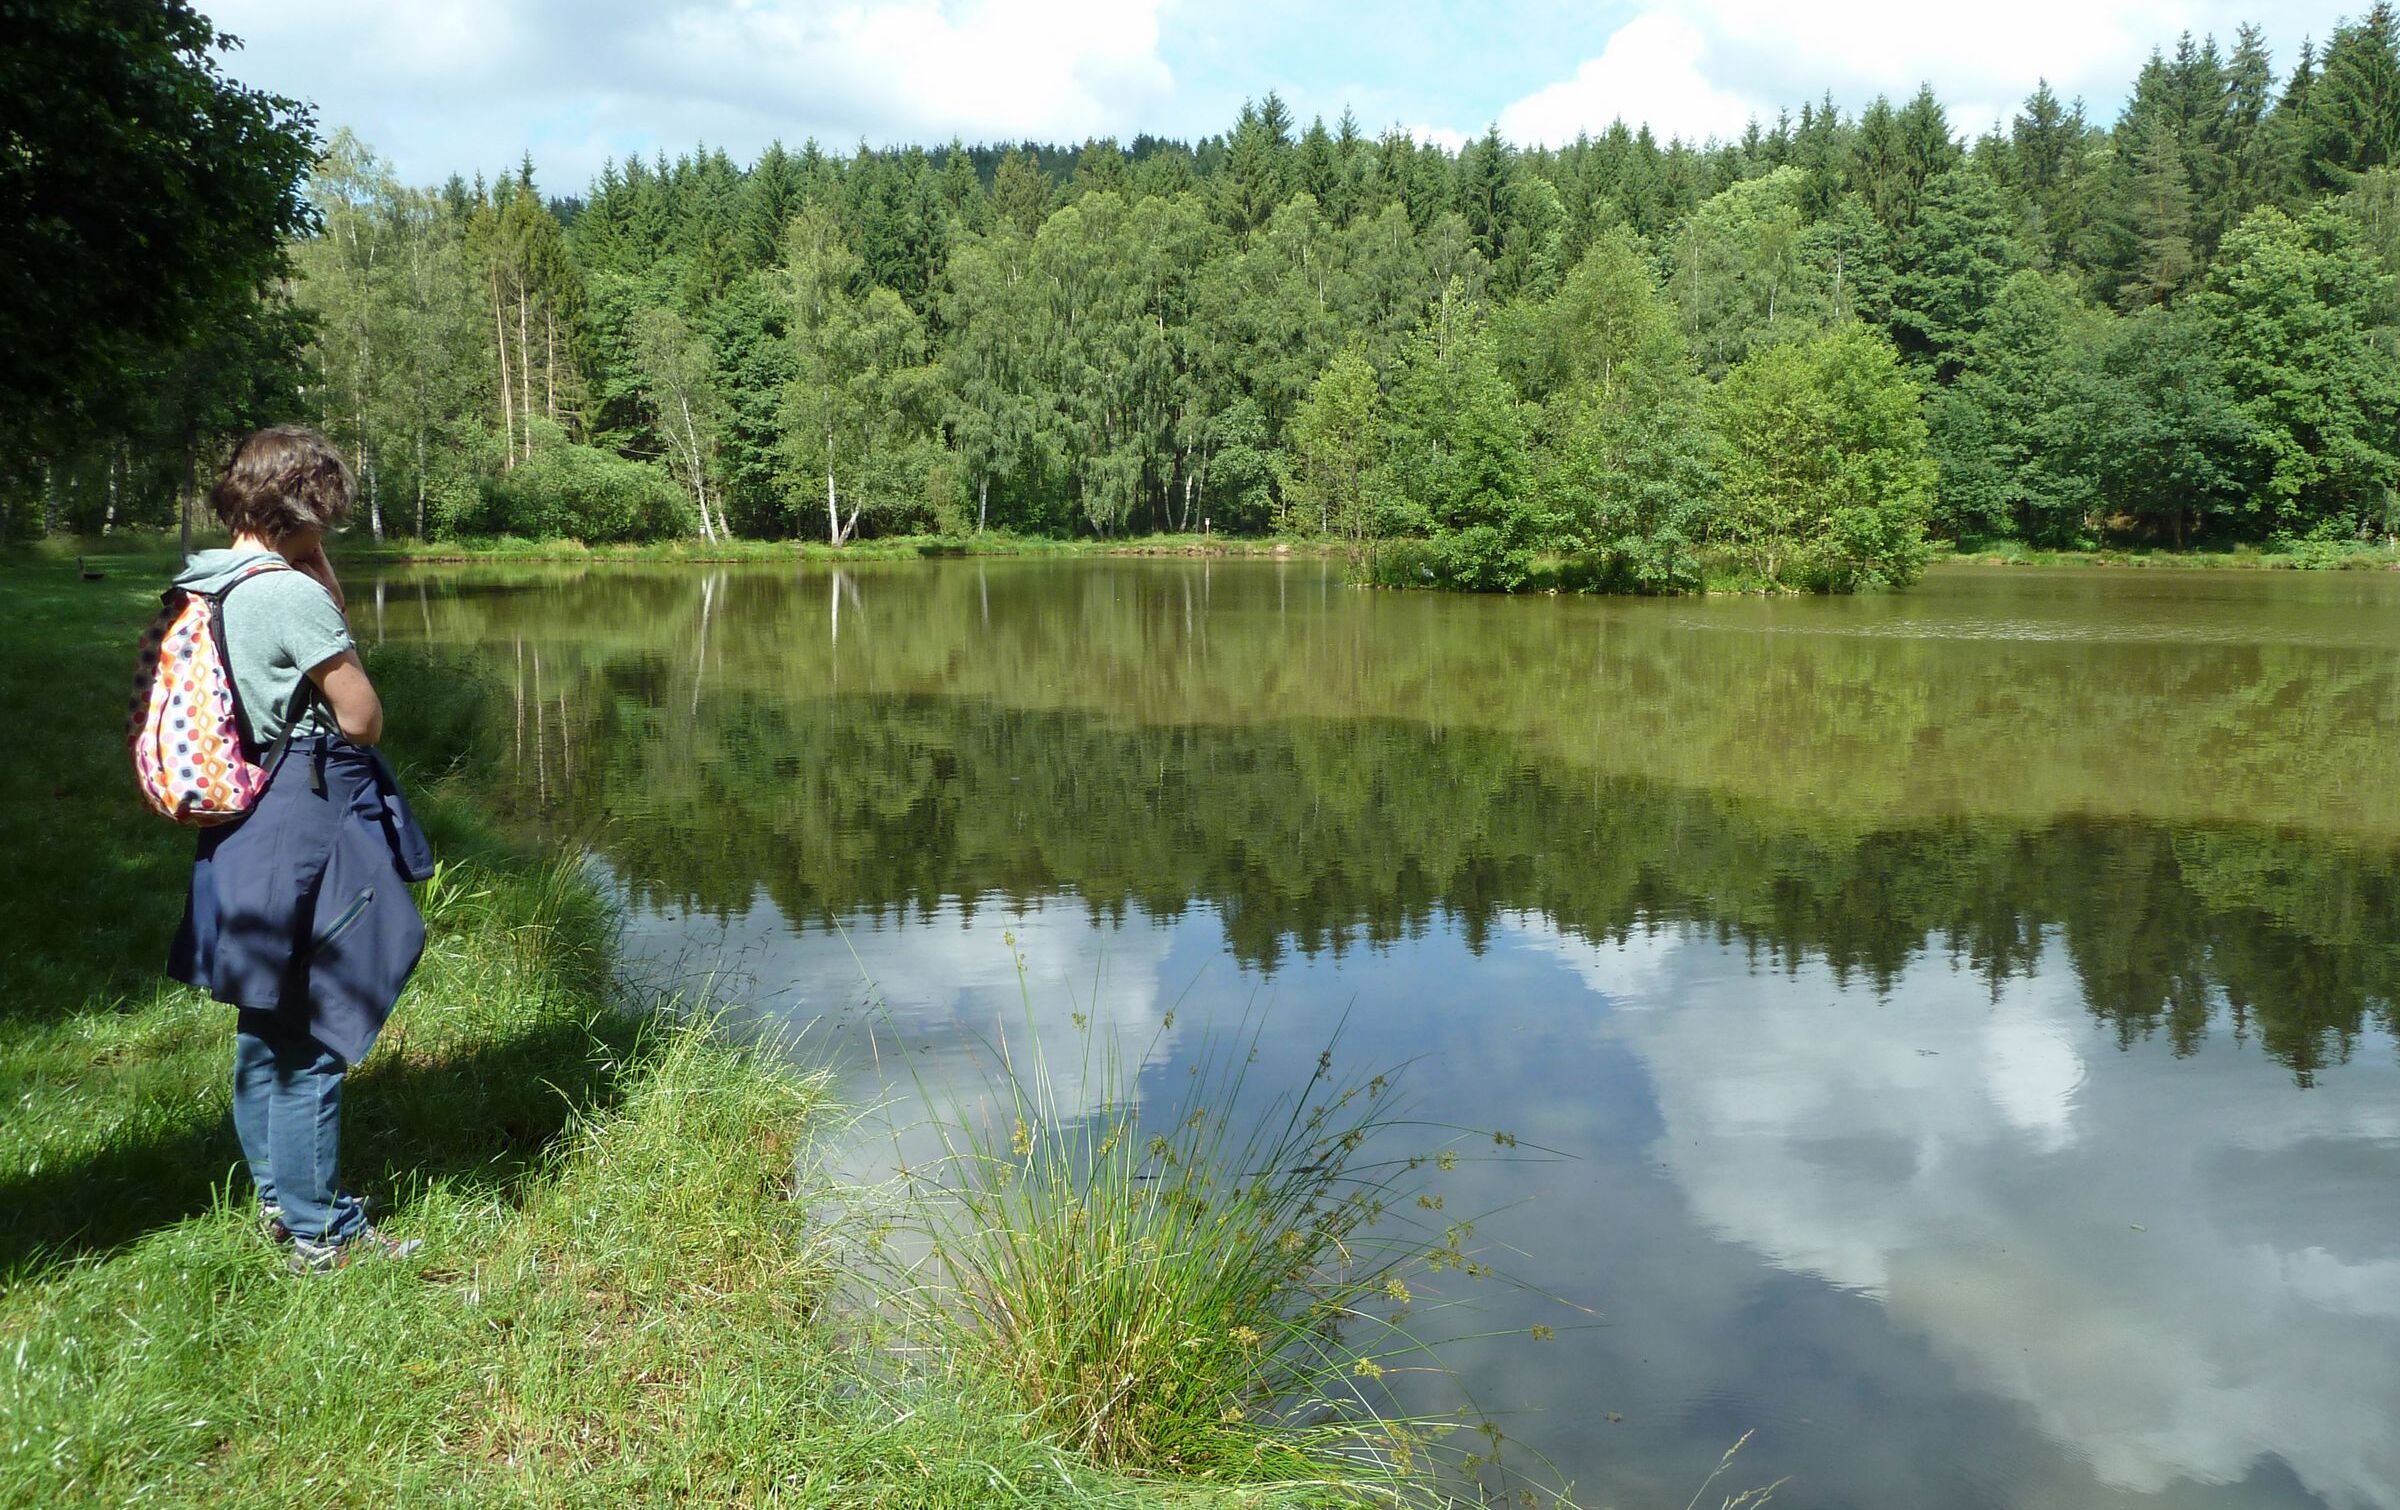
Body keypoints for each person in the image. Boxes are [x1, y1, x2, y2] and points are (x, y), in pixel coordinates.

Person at [166, 426, 431, 1273]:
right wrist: (314, 579)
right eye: (327, 520)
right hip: (304, 812)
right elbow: (361, 716)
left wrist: (310, 566)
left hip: (245, 814)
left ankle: (284, 1203)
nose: (332, 537)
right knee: (317, 1027)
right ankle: (324, 1236)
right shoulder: (287, 595)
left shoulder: (211, 578)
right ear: (300, 509)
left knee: (265, 1021)